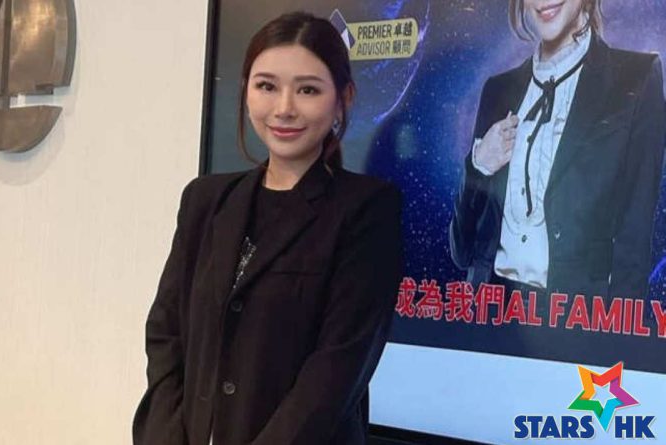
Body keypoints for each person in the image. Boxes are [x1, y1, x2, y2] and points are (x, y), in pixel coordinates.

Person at [132, 12, 402, 445]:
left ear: (343, 99)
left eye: (308, 90)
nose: (284, 108)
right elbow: (166, 335)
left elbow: (336, 370)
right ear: (246, 91)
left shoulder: (367, 210)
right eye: (266, 86)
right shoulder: (205, 201)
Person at [450, 0, 666, 299]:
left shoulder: (636, 78)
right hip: (490, 308)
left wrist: (617, 325)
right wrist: (478, 165)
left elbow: (634, 236)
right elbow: (462, 252)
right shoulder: (498, 90)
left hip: (575, 315)